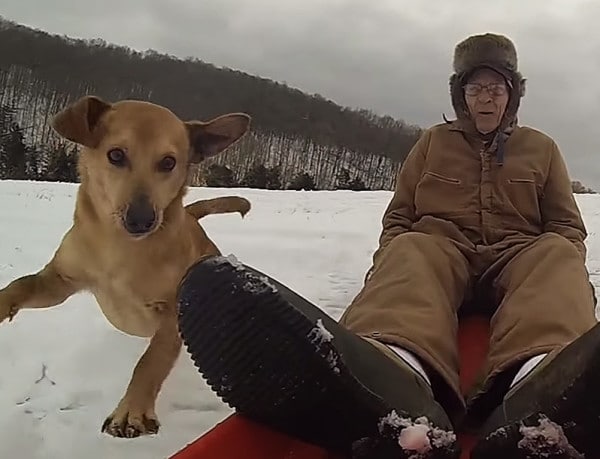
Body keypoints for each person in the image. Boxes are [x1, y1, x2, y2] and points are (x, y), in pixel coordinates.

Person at [175, 33, 600, 458]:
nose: (485, 100)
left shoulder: (542, 149)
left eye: (495, 89)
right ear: (461, 96)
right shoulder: (433, 143)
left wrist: (559, 262)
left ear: (512, 95)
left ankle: (543, 383)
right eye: (475, 89)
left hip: (517, 253)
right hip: (442, 246)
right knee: (412, 249)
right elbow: (399, 218)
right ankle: (393, 377)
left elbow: (566, 225)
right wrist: (394, 256)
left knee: (556, 253)